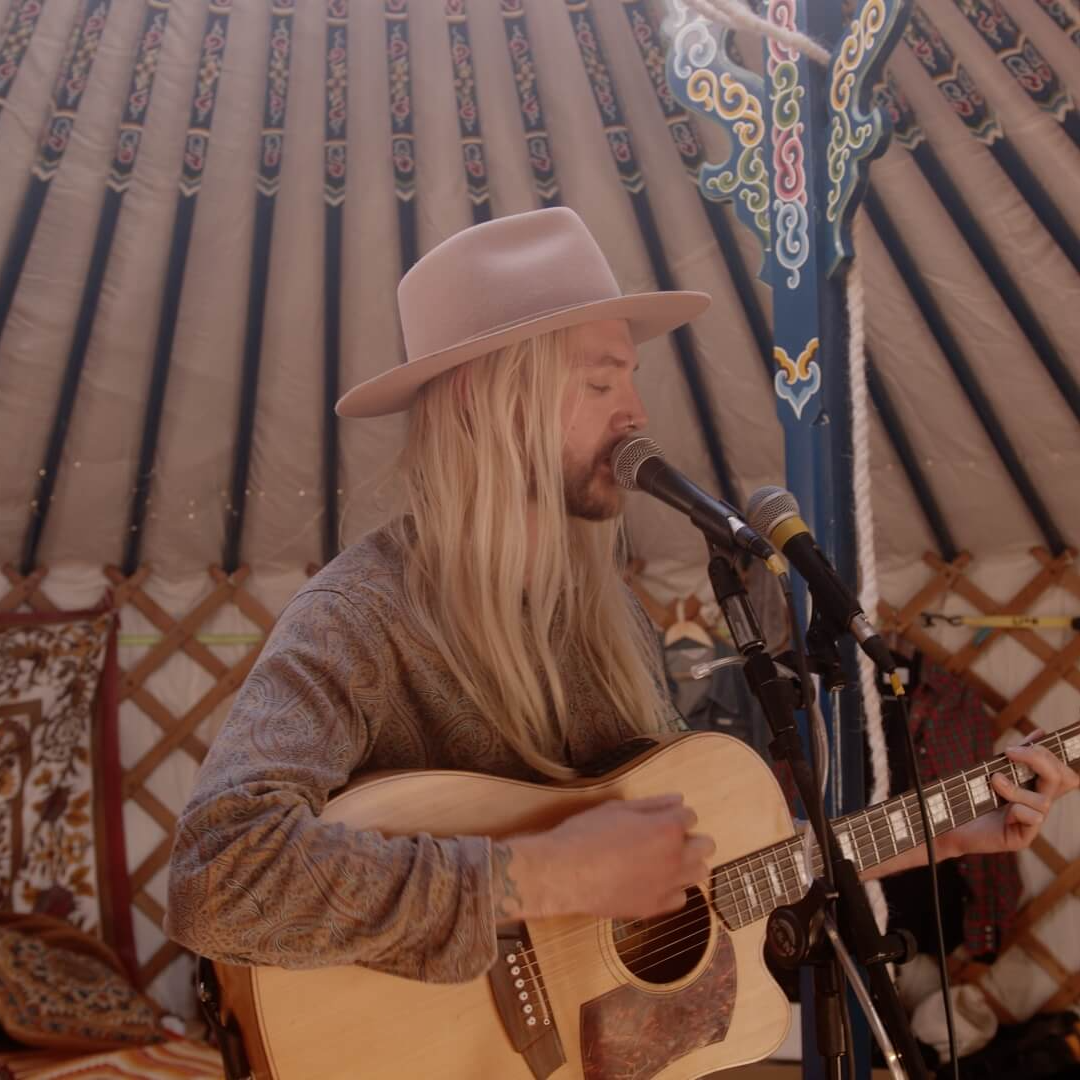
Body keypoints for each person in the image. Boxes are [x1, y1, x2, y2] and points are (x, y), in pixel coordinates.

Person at [165, 207, 1076, 985]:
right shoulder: (360, 618)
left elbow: (701, 872)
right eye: (602, 380)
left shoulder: (607, 618)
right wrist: (536, 881)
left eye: (630, 377)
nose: (636, 411)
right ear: (490, 401)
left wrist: (941, 835)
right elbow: (217, 878)